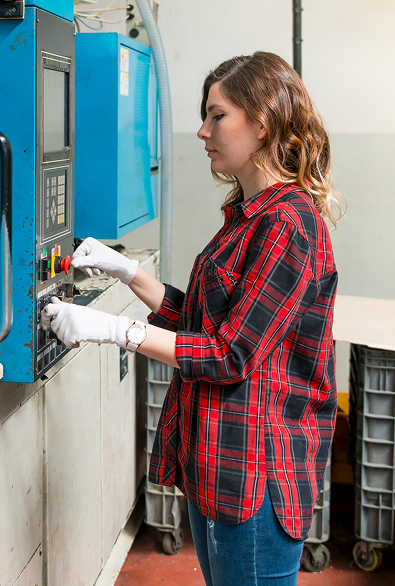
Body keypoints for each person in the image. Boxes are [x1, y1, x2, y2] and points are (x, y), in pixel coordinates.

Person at [42, 52, 341, 586]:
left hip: (254, 472)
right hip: (217, 464)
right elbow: (206, 324)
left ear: (263, 120)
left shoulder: (288, 224)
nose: (202, 131)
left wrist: (115, 330)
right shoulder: (247, 217)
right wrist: (128, 272)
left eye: (217, 115)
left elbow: (229, 353)